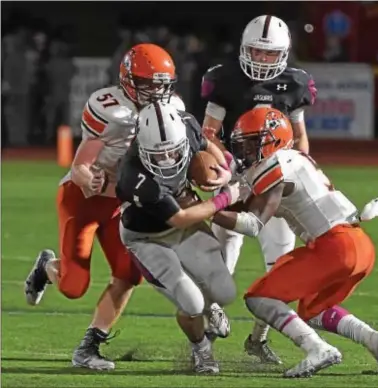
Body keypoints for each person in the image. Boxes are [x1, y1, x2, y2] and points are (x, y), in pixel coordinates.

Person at [24, 43, 186, 371]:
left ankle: (89, 346)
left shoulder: (172, 109)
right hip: (82, 199)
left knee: (128, 274)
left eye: (161, 84)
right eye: (147, 84)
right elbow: (81, 163)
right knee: (73, 287)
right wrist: (88, 180)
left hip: (122, 204)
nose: (156, 92)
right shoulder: (111, 109)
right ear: (127, 80)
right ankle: (46, 267)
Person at [212, 107, 378, 377]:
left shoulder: (275, 164)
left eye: (253, 142)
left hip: (335, 245)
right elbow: (245, 204)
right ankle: (374, 339)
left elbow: (253, 225)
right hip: (359, 244)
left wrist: (206, 210)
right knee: (313, 310)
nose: (246, 151)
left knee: (259, 297)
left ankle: (317, 348)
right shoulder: (294, 158)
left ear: (272, 139)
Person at [200, 14, 317, 362]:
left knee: (281, 269)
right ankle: (204, 340)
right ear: (242, 49)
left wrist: (296, 168)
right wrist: (226, 164)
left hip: (275, 183)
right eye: (256, 52)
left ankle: (258, 339)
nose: (263, 60)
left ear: (283, 53)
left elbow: (299, 138)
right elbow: (208, 134)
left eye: (270, 54)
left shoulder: (295, 83)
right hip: (236, 178)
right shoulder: (224, 79)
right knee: (222, 264)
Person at [116, 101, 240, 374]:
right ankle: (202, 351)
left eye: (174, 151)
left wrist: (225, 170)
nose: (169, 160)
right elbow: (179, 218)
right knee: (191, 302)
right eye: (159, 155)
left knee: (225, 291)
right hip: (146, 237)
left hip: (185, 223)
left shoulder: (186, 127)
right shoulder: (134, 176)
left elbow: (207, 145)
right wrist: (225, 198)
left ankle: (212, 306)